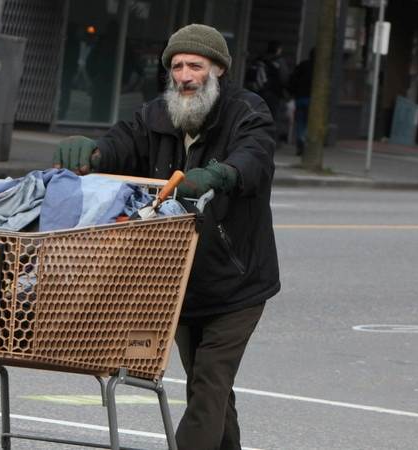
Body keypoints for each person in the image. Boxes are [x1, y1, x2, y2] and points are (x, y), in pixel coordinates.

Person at [51, 23, 280, 450]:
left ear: (218, 70)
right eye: (176, 66)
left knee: (209, 385)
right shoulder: (158, 114)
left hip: (238, 282)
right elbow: (122, 142)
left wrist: (219, 174)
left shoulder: (247, 112)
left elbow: (255, 158)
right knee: (209, 387)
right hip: (179, 277)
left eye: (195, 65)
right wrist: (92, 153)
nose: (184, 76)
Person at [246, 41, 291, 142]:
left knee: (257, 115)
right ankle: (269, 139)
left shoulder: (259, 59)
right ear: (278, 49)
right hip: (274, 93)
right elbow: (284, 78)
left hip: (257, 92)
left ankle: (255, 137)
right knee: (273, 117)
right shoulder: (279, 62)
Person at [289, 48, 315, 156]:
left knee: (300, 121)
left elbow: (293, 79)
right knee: (310, 123)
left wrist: (293, 92)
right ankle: (305, 141)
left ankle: (300, 139)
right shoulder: (320, 69)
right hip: (312, 99)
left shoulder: (302, 65)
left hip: (300, 97)